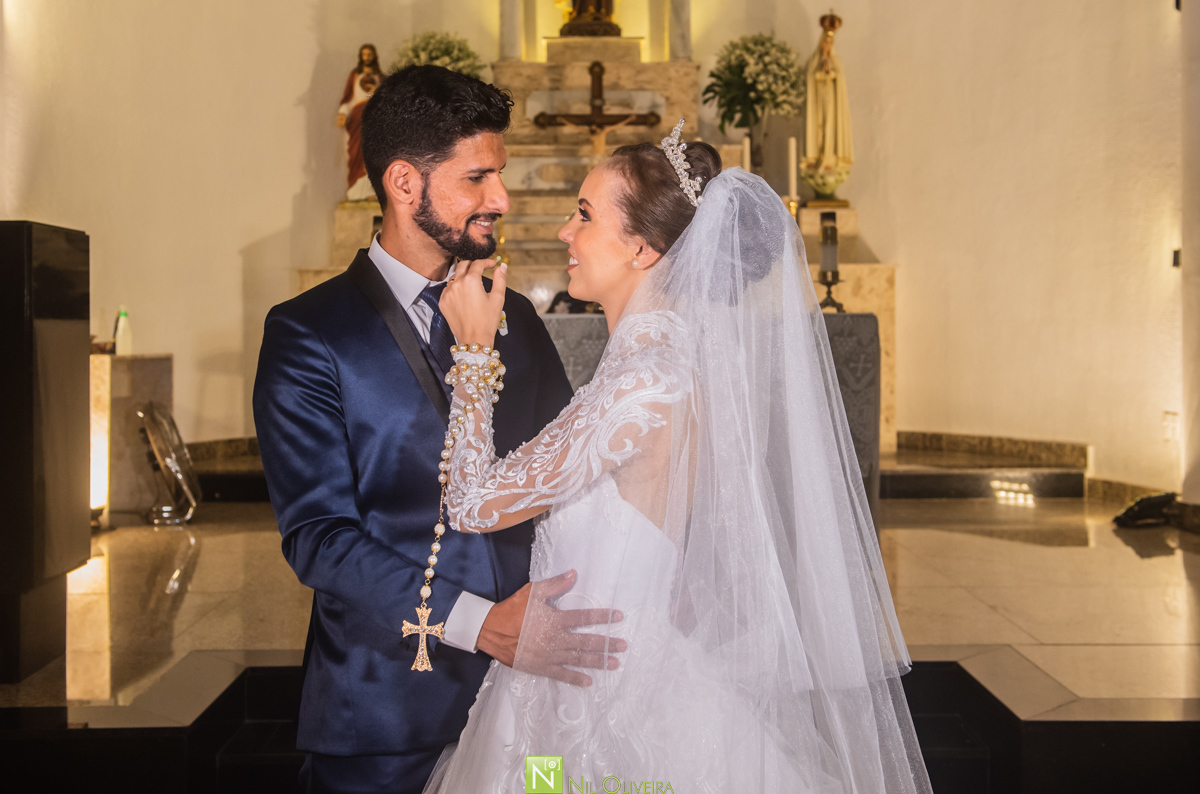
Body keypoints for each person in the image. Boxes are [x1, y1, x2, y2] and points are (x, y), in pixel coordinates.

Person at [426, 122, 933, 792]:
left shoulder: (646, 380)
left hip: (608, 704)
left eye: (584, 215)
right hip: (582, 687)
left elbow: (471, 505)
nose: (563, 235)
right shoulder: (654, 366)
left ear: (640, 246)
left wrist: (472, 354)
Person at [254, 65, 625, 794]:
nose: (502, 199)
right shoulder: (309, 335)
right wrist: (482, 623)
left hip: (533, 705)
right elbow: (320, 539)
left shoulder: (515, 317)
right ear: (403, 183)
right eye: (478, 178)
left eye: (501, 174)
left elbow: (568, 485)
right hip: (386, 712)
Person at [338, 44, 382, 200]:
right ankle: (355, 192)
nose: (367, 57)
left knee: (373, 153)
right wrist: (343, 113)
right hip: (357, 121)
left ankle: (371, 191)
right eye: (364, 54)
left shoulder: (380, 78)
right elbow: (349, 99)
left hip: (373, 120)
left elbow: (383, 101)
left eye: (369, 54)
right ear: (360, 56)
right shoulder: (355, 76)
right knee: (356, 153)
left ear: (374, 56)